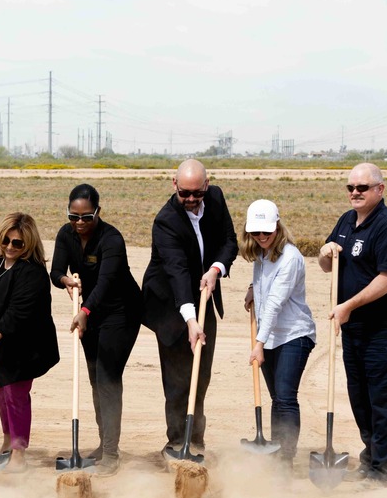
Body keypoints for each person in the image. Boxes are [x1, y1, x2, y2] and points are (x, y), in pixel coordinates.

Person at [142, 159, 237, 456]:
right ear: (174, 185)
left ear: (207, 185)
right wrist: (191, 320)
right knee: (177, 379)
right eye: (185, 193)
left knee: (201, 373)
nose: (192, 199)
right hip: (170, 304)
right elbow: (177, 272)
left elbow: (229, 242)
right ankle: (175, 441)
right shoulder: (166, 221)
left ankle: (195, 440)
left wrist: (216, 269)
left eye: (198, 193)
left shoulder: (216, 198)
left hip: (205, 293)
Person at [319, 163, 387, 486]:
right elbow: (327, 265)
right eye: (350, 187)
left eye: (362, 188)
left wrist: (348, 306)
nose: (355, 192)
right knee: (360, 401)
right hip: (353, 332)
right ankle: (369, 460)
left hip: (385, 334)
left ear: (380, 189)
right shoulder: (346, 221)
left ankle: (381, 472)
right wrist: (325, 252)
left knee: (384, 404)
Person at [50, 184, 141, 476]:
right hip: (89, 312)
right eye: (73, 216)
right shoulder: (66, 235)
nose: (79, 223)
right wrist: (65, 280)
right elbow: (55, 271)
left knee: (107, 378)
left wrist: (85, 311)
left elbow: (106, 282)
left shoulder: (111, 239)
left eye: (86, 217)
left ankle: (111, 454)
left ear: (98, 212)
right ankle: (104, 444)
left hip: (121, 312)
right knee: (94, 378)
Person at [0, 212, 59, 472]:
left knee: (15, 395)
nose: (9, 247)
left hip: (23, 346)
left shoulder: (33, 273)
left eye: (17, 243)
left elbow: (15, 315)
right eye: (5, 240)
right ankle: (7, 438)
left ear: (28, 243)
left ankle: (18, 452)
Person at [239, 199, 316, 468]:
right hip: (269, 335)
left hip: (294, 334)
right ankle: (274, 449)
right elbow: (265, 284)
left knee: (285, 397)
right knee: (276, 399)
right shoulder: (261, 254)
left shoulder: (290, 257)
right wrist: (253, 287)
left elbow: (274, 303)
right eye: (255, 232)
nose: (261, 237)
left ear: (278, 227)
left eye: (267, 232)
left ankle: (286, 458)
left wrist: (258, 344)